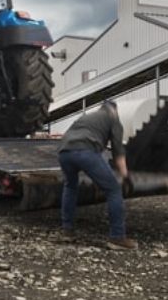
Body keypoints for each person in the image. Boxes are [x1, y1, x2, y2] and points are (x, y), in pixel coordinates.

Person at [57, 100, 136, 250]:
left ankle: (67, 231)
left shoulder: (86, 117)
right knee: (113, 190)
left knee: (70, 186)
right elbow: (118, 151)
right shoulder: (113, 119)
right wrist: (125, 176)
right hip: (85, 151)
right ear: (114, 110)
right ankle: (117, 237)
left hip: (64, 152)